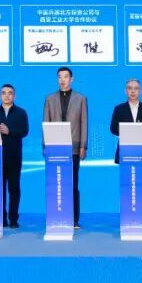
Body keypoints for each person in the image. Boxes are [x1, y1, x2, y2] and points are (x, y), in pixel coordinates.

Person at [42, 66, 88, 228]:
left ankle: (74, 219)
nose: (62, 80)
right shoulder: (49, 98)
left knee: (73, 184)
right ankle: (55, 216)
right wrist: (45, 145)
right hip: (54, 148)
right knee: (55, 183)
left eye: (66, 76)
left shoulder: (81, 98)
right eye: (59, 77)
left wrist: (83, 145)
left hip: (73, 147)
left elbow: (84, 122)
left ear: (71, 79)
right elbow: (45, 122)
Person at [0, 83, 29, 228]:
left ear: (14, 96)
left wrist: (9, 131)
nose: (6, 95)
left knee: (14, 189)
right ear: (0, 96)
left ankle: (13, 219)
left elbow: (24, 131)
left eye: (10, 93)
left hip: (14, 157)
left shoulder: (21, 112)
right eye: (3, 93)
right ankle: (1, 219)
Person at [109, 78, 142, 175]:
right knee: (127, 181)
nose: (133, 91)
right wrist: (128, 130)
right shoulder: (119, 109)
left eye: (136, 88)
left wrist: (140, 130)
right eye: (130, 88)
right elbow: (113, 128)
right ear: (125, 91)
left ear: (140, 91)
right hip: (125, 151)